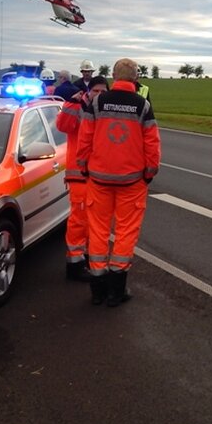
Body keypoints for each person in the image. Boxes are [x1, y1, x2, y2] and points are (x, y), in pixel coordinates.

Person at [76, 58, 161, 307]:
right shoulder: (142, 105)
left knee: (98, 231)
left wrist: (83, 165)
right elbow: (152, 142)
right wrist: (150, 171)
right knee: (125, 232)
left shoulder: (97, 101)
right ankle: (116, 290)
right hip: (132, 181)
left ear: (113, 76)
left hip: (99, 178)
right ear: (135, 78)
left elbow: (85, 137)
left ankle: (98, 289)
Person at [56, 75, 109, 282]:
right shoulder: (77, 105)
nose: (99, 94)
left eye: (103, 91)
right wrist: (73, 103)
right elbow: (62, 125)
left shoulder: (105, 110)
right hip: (78, 174)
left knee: (93, 221)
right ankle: (75, 263)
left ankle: (86, 257)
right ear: (88, 91)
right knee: (79, 220)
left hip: (97, 175)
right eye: (96, 91)